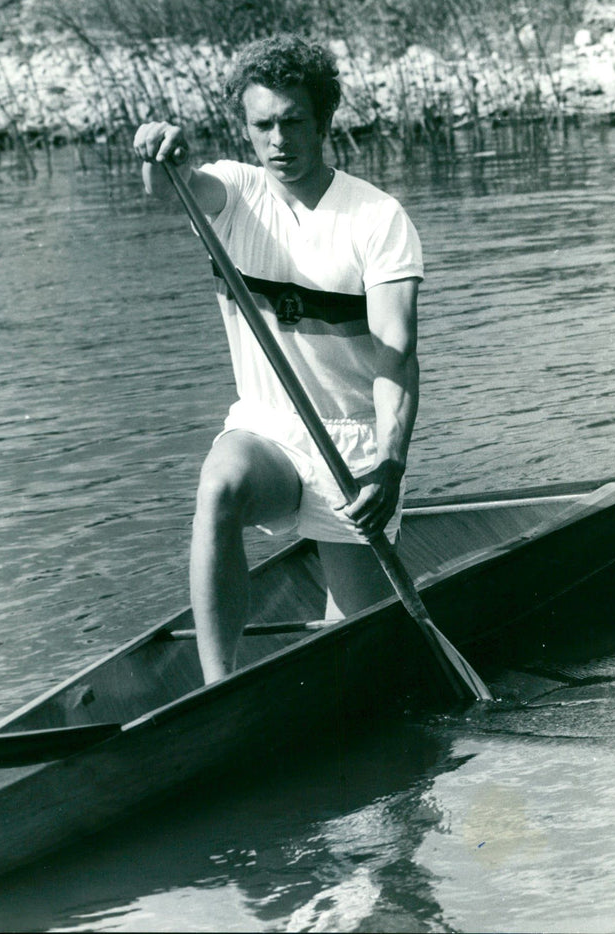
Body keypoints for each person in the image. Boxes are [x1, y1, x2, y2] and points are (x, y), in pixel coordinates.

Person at [133, 35, 423, 683]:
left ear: (323, 121)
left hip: (356, 449)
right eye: (262, 124)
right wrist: (160, 153)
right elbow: (170, 188)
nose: (278, 140)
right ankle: (220, 688)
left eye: (294, 121)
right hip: (270, 431)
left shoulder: (378, 220)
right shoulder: (233, 195)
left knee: (352, 660)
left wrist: (391, 467)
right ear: (246, 127)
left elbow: (398, 358)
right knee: (219, 484)